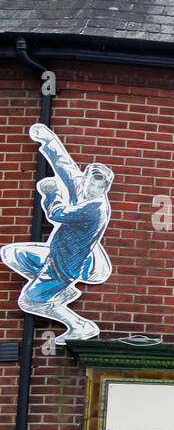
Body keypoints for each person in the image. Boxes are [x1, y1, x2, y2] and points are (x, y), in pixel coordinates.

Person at [1, 123, 113, 343]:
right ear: (88, 178)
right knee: (11, 255)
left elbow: (58, 214)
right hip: (57, 253)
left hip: (66, 266)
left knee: (28, 302)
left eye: (100, 187)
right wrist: (47, 139)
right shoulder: (80, 187)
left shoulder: (95, 209)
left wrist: (51, 192)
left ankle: (80, 326)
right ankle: (61, 293)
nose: (94, 189)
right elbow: (64, 164)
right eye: (92, 182)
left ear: (105, 189)